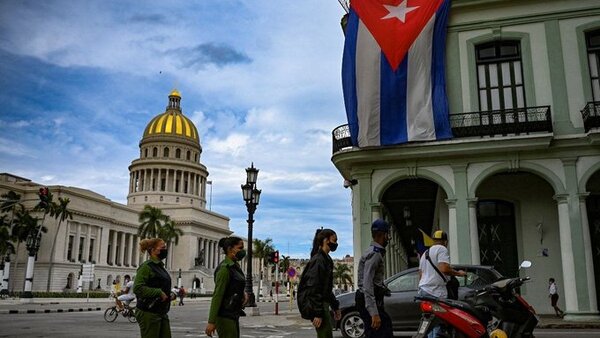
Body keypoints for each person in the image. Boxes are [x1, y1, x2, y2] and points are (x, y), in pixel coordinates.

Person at [418, 230, 466, 338]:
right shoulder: (442, 249)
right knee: (439, 322)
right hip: (435, 291)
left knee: (429, 323)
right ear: (445, 242)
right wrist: (459, 273)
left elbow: (420, 274)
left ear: (434, 241)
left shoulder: (425, 253)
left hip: (423, 290)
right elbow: (444, 268)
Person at [297, 228, 341, 338]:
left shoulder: (326, 260)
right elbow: (313, 288)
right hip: (319, 306)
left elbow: (326, 289)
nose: (336, 244)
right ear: (326, 240)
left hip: (323, 306)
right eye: (334, 240)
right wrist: (317, 313)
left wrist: (335, 307)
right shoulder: (318, 260)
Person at [356, 219, 393, 338]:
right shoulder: (375, 254)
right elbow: (367, 285)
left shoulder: (373, 252)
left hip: (369, 297)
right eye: (388, 235)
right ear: (383, 235)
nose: (388, 238)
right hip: (368, 299)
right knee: (380, 332)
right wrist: (374, 313)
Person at [205, 236, 248, 338]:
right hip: (225, 316)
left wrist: (242, 293)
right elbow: (218, 296)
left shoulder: (235, 266)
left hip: (233, 314)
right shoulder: (224, 269)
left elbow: (233, 287)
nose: (242, 251)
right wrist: (211, 322)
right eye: (240, 248)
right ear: (229, 249)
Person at [134, 238, 175, 338]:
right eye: (162, 248)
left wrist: (170, 294)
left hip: (160, 312)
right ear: (152, 250)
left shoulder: (160, 267)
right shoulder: (146, 267)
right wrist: (158, 292)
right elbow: (138, 288)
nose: (165, 250)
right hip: (148, 312)